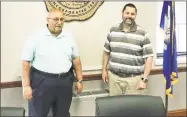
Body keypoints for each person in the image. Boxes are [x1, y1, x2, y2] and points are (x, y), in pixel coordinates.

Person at [21, 9, 83, 117]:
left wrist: (79, 80)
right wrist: (26, 86)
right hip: (41, 82)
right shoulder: (35, 37)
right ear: (48, 20)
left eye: (62, 19)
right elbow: (25, 63)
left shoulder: (69, 37)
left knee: (62, 114)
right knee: (37, 114)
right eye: (56, 19)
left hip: (65, 82)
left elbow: (76, 60)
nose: (59, 22)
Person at [102, 3, 153, 96]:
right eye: (127, 13)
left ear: (135, 16)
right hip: (114, 79)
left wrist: (144, 79)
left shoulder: (143, 33)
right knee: (115, 109)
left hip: (134, 80)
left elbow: (149, 57)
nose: (129, 16)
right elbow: (106, 52)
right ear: (122, 13)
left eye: (132, 14)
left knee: (133, 109)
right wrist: (104, 70)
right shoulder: (112, 30)